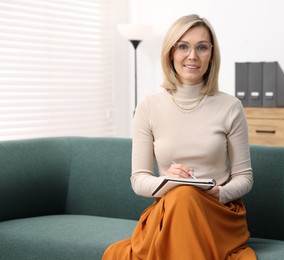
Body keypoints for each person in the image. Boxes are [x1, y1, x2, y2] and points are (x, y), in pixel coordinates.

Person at [103, 14, 256, 259]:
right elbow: (139, 180)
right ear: (171, 53)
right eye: (183, 46)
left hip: (217, 211)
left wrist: (221, 191)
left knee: (185, 198)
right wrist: (168, 182)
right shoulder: (148, 107)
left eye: (202, 47)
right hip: (170, 209)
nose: (192, 56)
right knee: (182, 196)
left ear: (211, 55)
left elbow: (244, 177)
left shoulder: (230, 106)